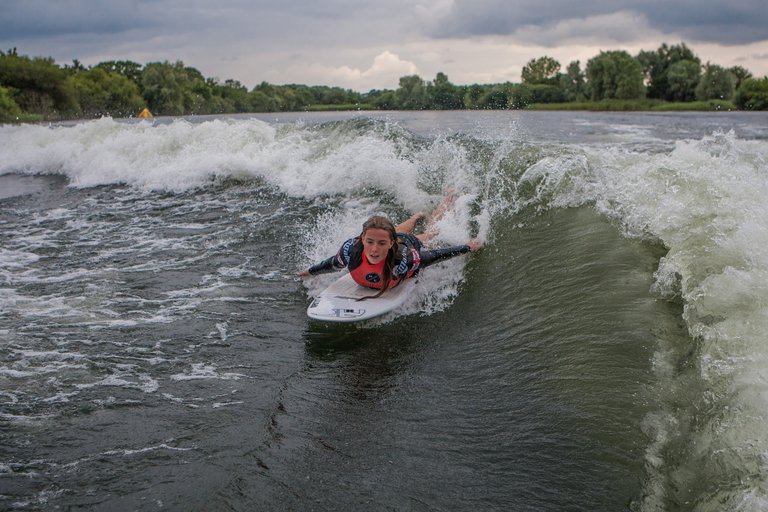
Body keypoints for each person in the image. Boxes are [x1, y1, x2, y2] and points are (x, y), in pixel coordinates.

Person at [298, 193, 481, 298]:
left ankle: (448, 198)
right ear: (362, 239)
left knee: (431, 232)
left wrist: (466, 247)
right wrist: (311, 272)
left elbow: (433, 256)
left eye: (381, 244)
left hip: (408, 243)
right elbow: (332, 264)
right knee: (393, 230)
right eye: (369, 242)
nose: (374, 249)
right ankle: (415, 218)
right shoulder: (351, 251)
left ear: (391, 243)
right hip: (394, 237)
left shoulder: (403, 259)